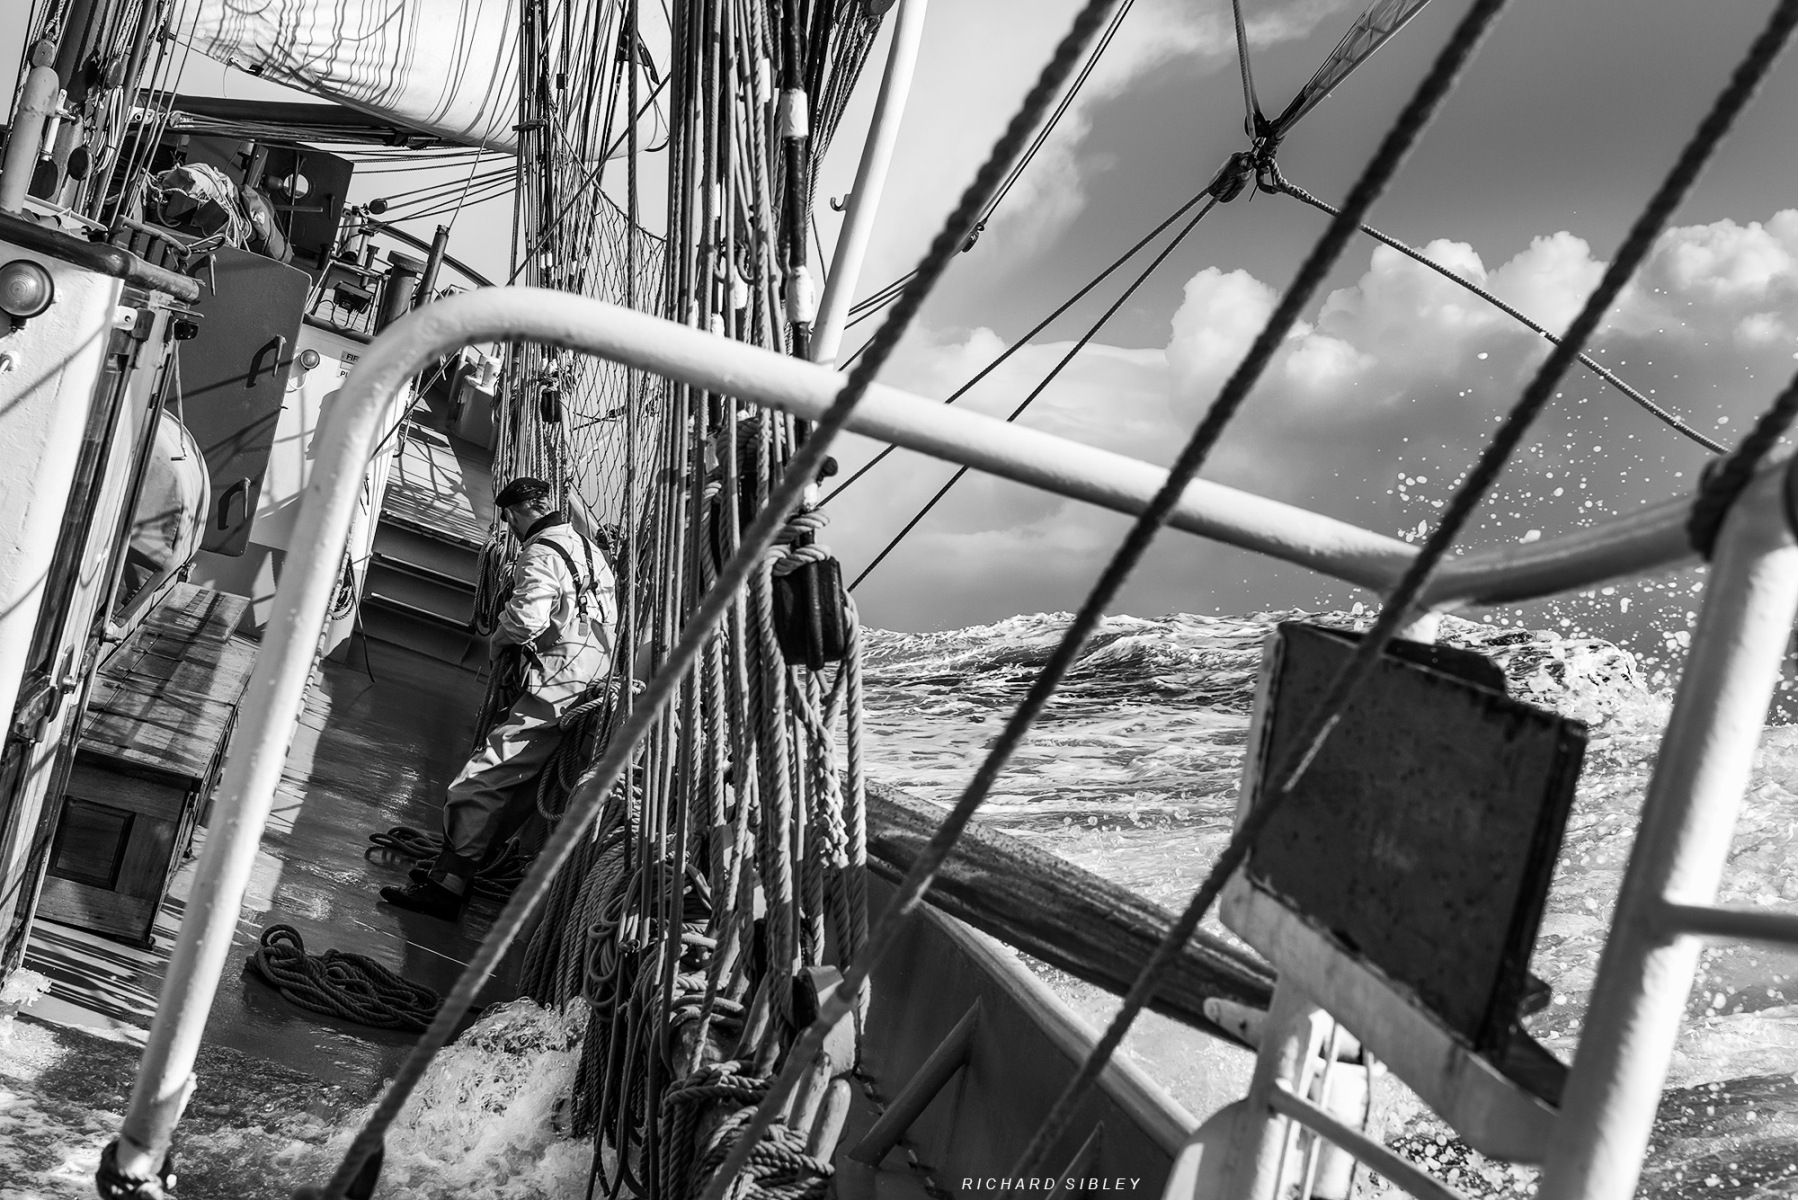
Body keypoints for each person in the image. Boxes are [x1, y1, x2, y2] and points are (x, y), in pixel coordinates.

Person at [380, 477, 616, 919]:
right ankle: (454, 871)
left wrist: (499, 644)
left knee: (479, 780)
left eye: (509, 520)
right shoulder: (590, 550)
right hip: (586, 676)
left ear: (514, 513)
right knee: (517, 784)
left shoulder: (540, 552)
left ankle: (446, 890)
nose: (511, 529)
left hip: (556, 683)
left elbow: (526, 620)